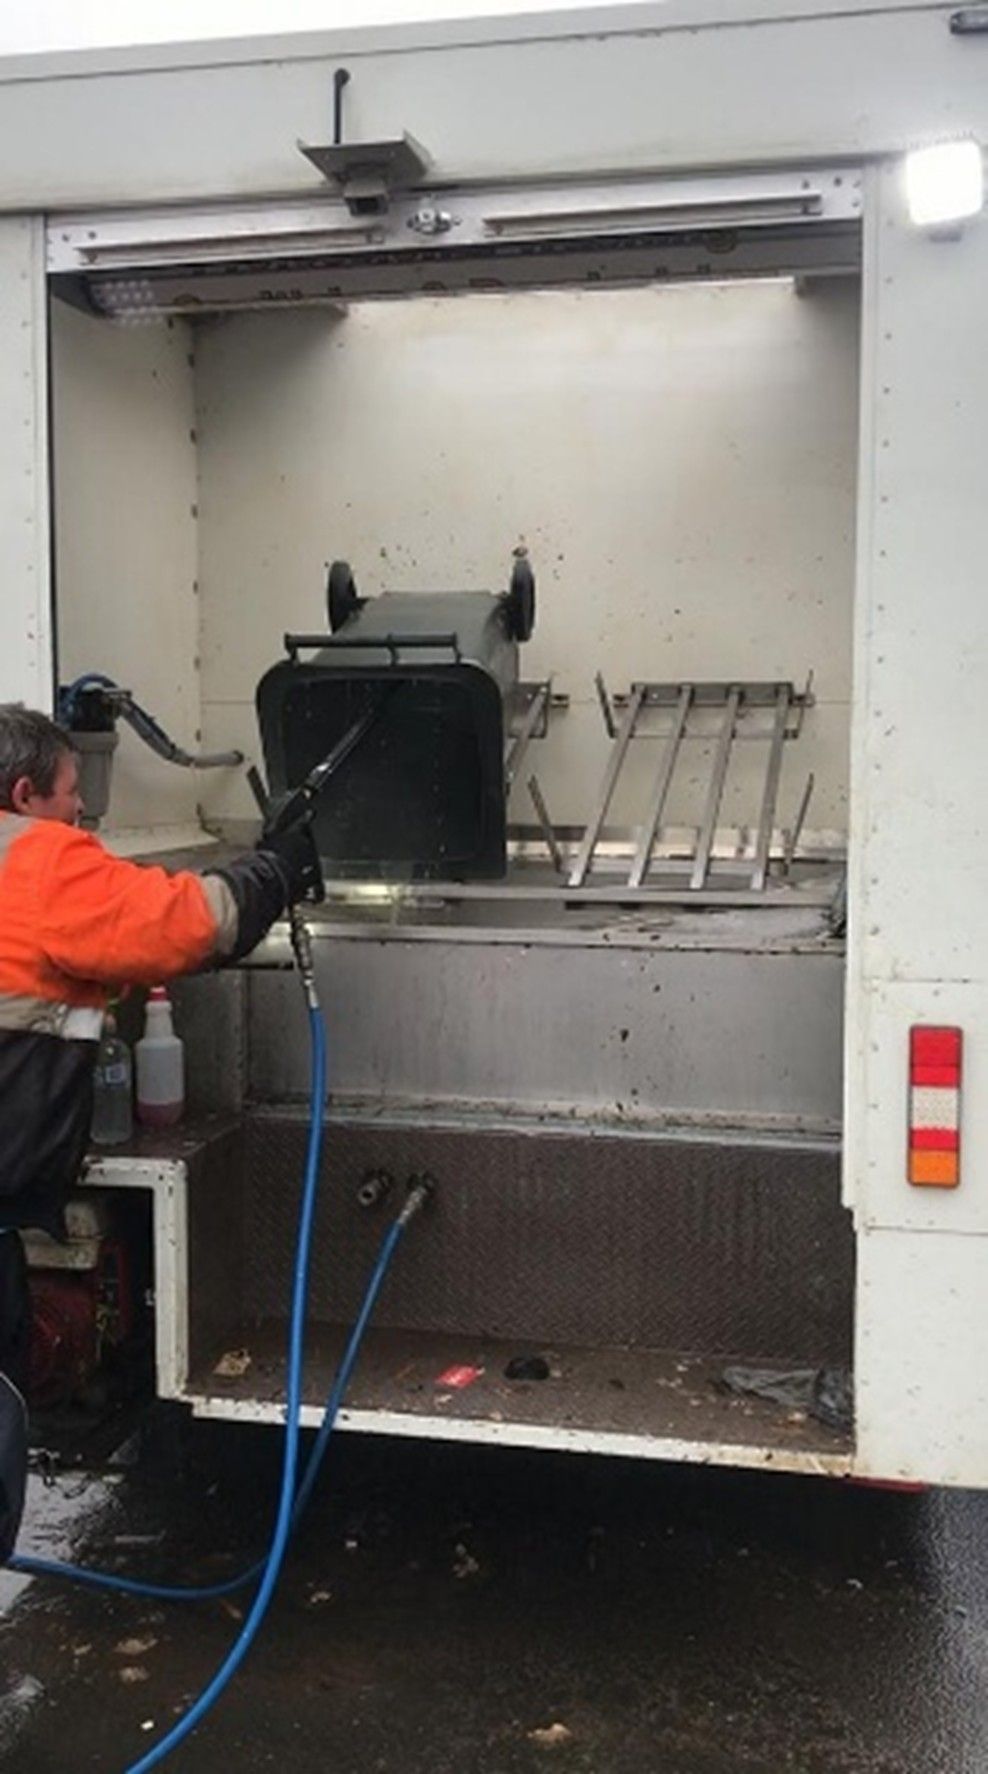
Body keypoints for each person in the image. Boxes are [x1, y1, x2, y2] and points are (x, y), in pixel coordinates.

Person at [0, 703, 320, 1559]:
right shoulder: (35, 856)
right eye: (72, 795)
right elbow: (186, 924)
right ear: (25, 795)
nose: (82, 813)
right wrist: (276, 869)